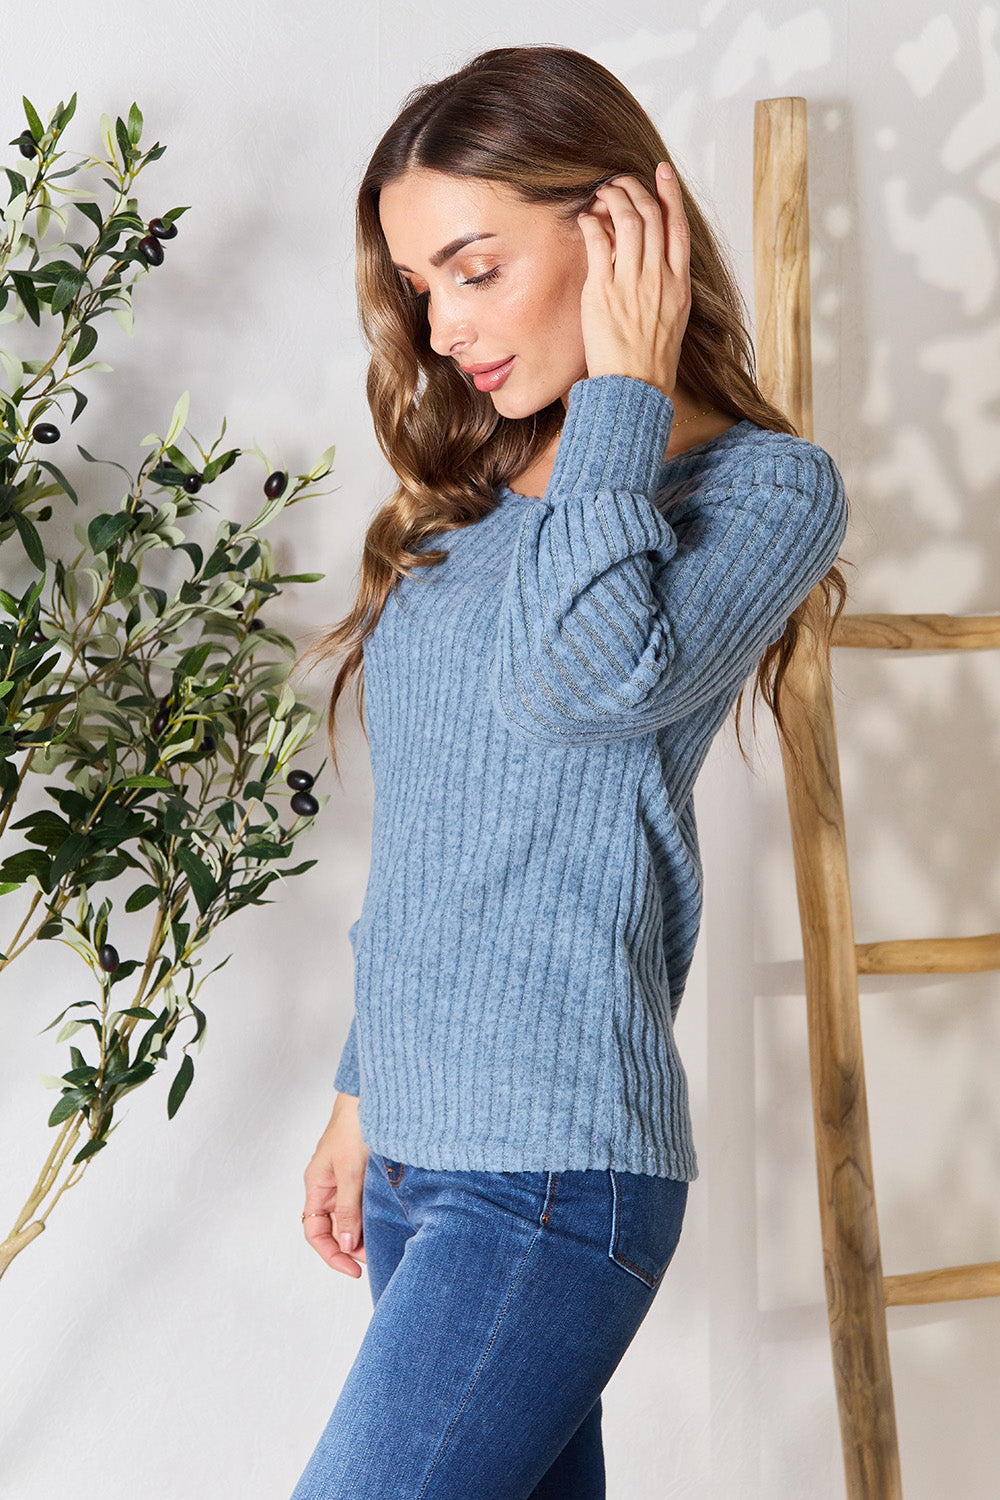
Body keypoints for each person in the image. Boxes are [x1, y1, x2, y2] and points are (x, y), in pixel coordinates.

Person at [289, 43, 848, 1500]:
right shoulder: (468, 508)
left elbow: (583, 683)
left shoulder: (762, 488)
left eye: (472, 267)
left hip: (548, 1170)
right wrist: (362, 1097)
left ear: (618, 230)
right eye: (422, 287)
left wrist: (624, 388)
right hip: (420, 1158)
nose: (445, 323)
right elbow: (440, 836)